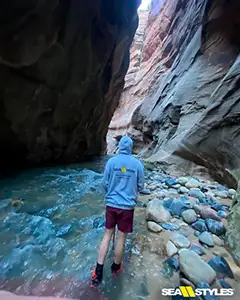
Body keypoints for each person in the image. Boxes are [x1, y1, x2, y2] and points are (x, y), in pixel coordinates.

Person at [91, 135, 145, 287]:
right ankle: (116, 268)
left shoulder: (111, 162)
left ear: (120, 146)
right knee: (121, 238)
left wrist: (111, 194)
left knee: (107, 235)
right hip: (127, 207)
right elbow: (141, 186)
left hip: (111, 205)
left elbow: (105, 183)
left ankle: (98, 272)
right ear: (131, 148)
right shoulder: (137, 164)